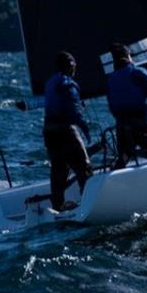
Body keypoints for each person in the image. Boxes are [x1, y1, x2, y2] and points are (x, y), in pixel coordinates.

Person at [42, 51, 93, 211]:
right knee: (84, 167)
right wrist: (85, 129)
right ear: (70, 66)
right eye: (74, 66)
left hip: (49, 132)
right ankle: (88, 202)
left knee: (59, 168)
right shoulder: (68, 84)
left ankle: (57, 205)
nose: (75, 69)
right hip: (65, 131)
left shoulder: (50, 83)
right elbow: (75, 112)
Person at [106, 43, 147, 168]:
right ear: (127, 56)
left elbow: (110, 103)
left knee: (122, 160)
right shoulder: (138, 71)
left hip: (120, 123)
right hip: (139, 121)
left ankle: (126, 155)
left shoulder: (111, 79)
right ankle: (133, 152)